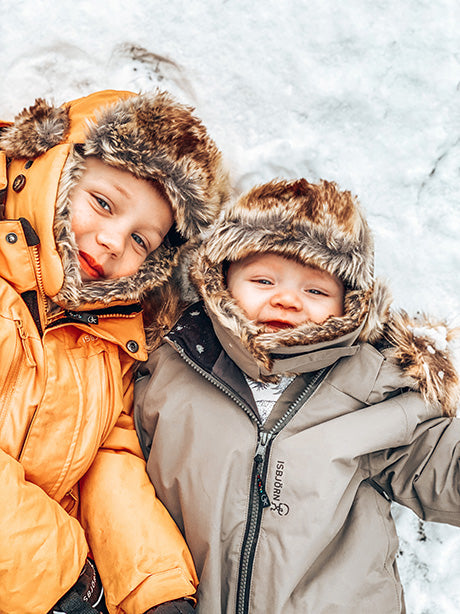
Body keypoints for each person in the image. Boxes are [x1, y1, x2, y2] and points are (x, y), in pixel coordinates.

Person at [134, 178, 460, 613]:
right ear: (221, 281)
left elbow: (438, 464)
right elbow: (122, 483)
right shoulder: (168, 368)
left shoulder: (374, 386)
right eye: (264, 280)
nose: (287, 300)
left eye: (315, 290)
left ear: (349, 304)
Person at [0, 89, 229, 614]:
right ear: (56, 170)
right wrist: (61, 584)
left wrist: (155, 590)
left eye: (142, 241)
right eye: (103, 204)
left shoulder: (109, 349)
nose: (112, 241)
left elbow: (108, 463)